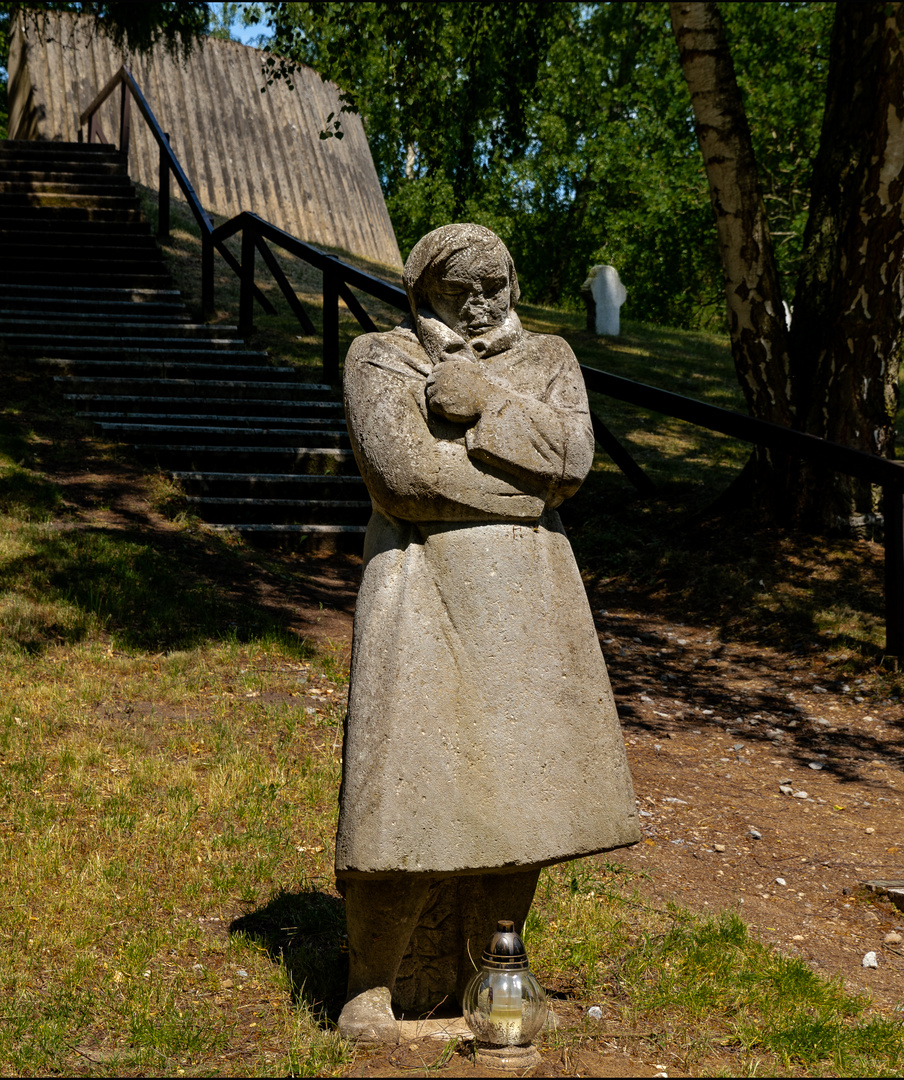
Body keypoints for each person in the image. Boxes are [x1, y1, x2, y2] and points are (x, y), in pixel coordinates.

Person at [335, 223, 643, 1041]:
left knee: (517, 790)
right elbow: (401, 477)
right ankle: (371, 985)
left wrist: (485, 404)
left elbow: (572, 459)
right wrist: (521, 496)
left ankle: (495, 969)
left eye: (494, 286)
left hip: (527, 603)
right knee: (403, 782)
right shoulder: (381, 357)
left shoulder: (548, 362)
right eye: (458, 291)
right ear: (422, 292)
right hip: (419, 591)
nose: (480, 306)